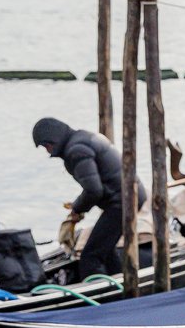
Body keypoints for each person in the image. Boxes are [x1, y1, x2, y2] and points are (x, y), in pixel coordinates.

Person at [31, 117, 125, 278]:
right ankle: (123, 291)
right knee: (106, 251)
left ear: (53, 141)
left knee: (90, 257)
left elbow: (94, 190)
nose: (47, 151)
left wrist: (77, 209)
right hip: (124, 199)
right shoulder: (81, 138)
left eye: (46, 146)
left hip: (120, 203)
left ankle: (104, 300)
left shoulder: (76, 151)